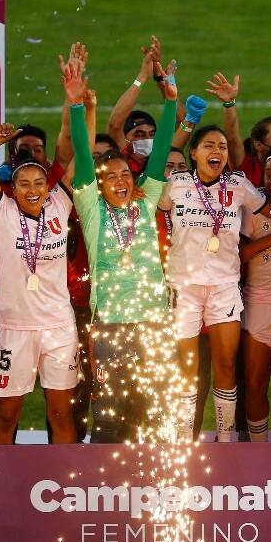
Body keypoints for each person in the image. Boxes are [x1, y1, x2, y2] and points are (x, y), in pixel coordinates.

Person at [64, 57, 179, 442]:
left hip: (154, 325)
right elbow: (82, 156)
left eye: (125, 175)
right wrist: (77, 106)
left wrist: (171, 103)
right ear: (97, 184)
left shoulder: (146, 202)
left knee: (157, 412)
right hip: (110, 327)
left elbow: (161, 149)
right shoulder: (92, 210)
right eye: (110, 177)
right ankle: (109, 495)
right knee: (110, 418)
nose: (119, 181)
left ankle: (156, 491)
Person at [0, 96, 79, 444]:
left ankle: (66, 493)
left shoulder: (60, 203)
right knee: (6, 415)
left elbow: (71, 150)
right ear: (12, 188)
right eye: (24, 184)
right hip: (14, 329)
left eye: (39, 183)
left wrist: (72, 102)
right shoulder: (2, 213)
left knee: (61, 413)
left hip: (59, 327)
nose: (32, 190)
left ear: (48, 187)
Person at [160, 69, 267, 441]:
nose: (217, 151)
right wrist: (184, 119)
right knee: (186, 368)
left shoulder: (238, 186)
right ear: (193, 153)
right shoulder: (175, 185)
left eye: (220, 147)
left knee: (224, 366)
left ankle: (225, 439)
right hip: (184, 288)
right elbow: (163, 159)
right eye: (208, 146)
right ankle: (184, 438)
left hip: (224, 287)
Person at [238, 155, 271, 441]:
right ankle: (259, 448)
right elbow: (238, 256)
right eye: (269, 175)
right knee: (256, 384)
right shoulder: (251, 211)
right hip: (259, 305)